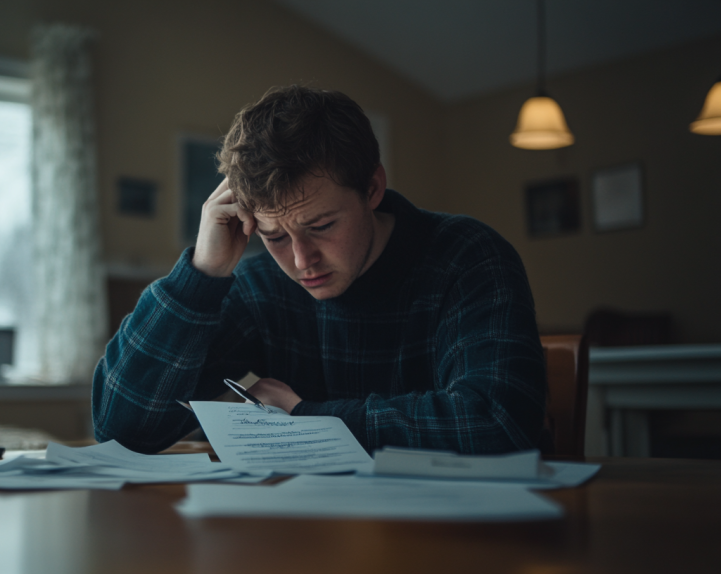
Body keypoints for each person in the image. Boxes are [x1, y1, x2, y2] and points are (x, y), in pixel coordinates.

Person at [92, 85, 546, 455]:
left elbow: (499, 423)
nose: (301, 260)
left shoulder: (468, 256)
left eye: (322, 226)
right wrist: (201, 275)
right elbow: (122, 431)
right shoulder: (261, 288)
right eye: (274, 236)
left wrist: (307, 418)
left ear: (372, 188)